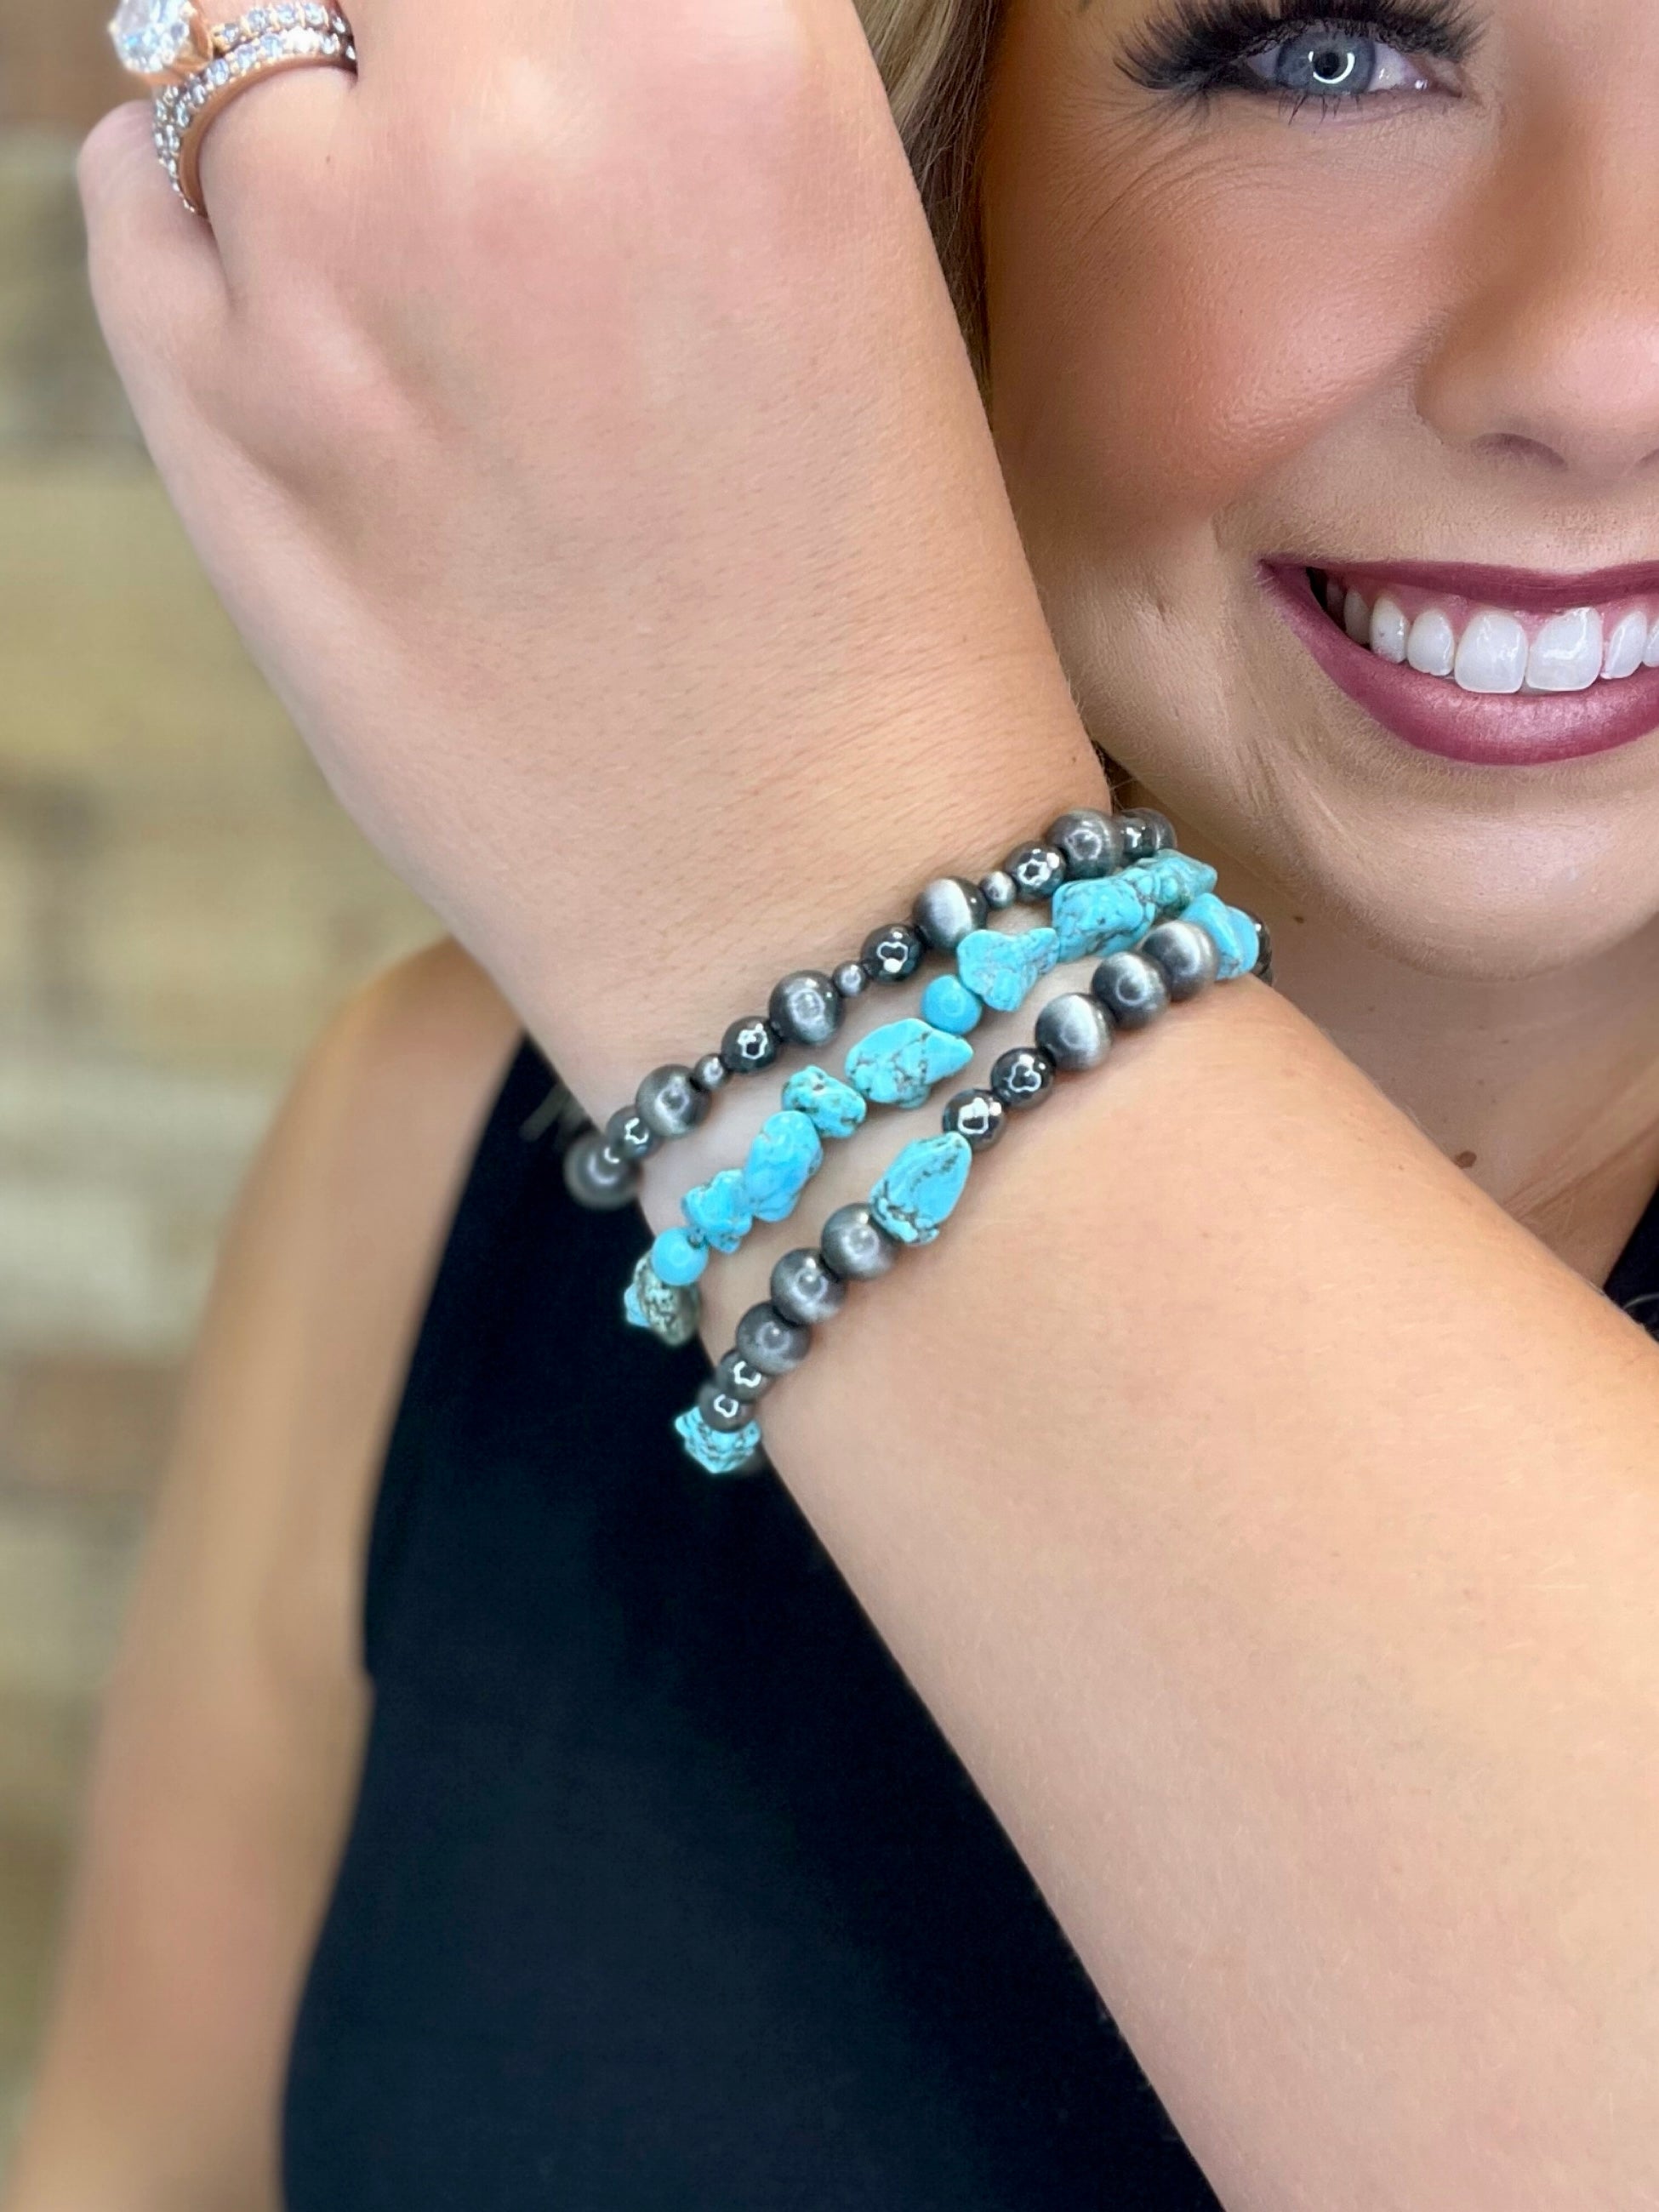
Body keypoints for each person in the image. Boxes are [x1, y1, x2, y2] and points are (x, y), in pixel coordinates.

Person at [11, 0, 1659, 2203]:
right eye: (1329, 52)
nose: (1600, 361)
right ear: (933, 172)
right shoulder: (442, 1147)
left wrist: (819, 880)